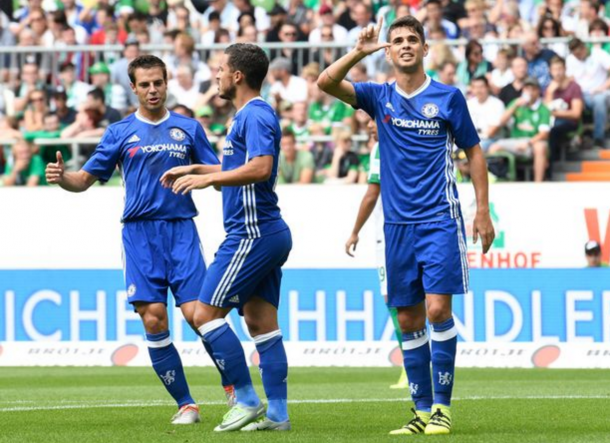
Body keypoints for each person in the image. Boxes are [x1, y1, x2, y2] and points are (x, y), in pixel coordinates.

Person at [317, 15, 494, 435]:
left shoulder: (448, 97)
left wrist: (482, 209)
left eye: (412, 39)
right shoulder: (378, 96)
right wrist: (359, 52)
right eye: (396, 41)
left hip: (439, 220)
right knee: (409, 321)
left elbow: (475, 153)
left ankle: (442, 409)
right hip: (396, 226)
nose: (404, 45)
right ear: (389, 51)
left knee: (437, 309)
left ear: (425, 48)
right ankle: (419, 412)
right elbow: (325, 82)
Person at [45, 54, 231, 425]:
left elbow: (219, 169)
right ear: (133, 88)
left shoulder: (189, 128)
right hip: (139, 235)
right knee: (154, 319)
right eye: (144, 84)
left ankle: (235, 388)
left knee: (199, 316)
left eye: (157, 83)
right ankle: (186, 404)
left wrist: (204, 173)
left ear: (166, 84)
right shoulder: (118, 132)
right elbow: (84, 180)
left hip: (180, 230)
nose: (151, 90)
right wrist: (62, 177)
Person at [160, 43, 292, 432]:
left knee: (204, 314)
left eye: (220, 69)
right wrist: (202, 168)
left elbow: (260, 168)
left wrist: (209, 177)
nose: (215, 75)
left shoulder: (255, 115)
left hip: (252, 233)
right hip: (266, 232)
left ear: (237, 76)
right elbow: (238, 167)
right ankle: (279, 415)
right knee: (260, 322)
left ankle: (247, 400)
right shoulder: (245, 117)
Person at [344, 116, 408, 390]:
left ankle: (411, 365)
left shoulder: (381, 149)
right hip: (413, 228)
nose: (368, 126)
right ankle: (420, 362)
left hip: (390, 233)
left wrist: (355, 230)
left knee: (394, 299)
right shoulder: (408, 142)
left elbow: (373, 193)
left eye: (371, 120)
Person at [489, 77, 551, 182]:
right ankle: (500, 179)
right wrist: (514, 106)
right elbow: (501, 122)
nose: (530, 92)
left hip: (532, 142)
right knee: (494, 147)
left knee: (540, 147)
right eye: (527, 88)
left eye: (533, 89)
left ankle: (538, 183)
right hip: (515, 140)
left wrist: (528, 143)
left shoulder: (543, 109)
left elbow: (544, 134)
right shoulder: (516, 103)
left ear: (538, 91)